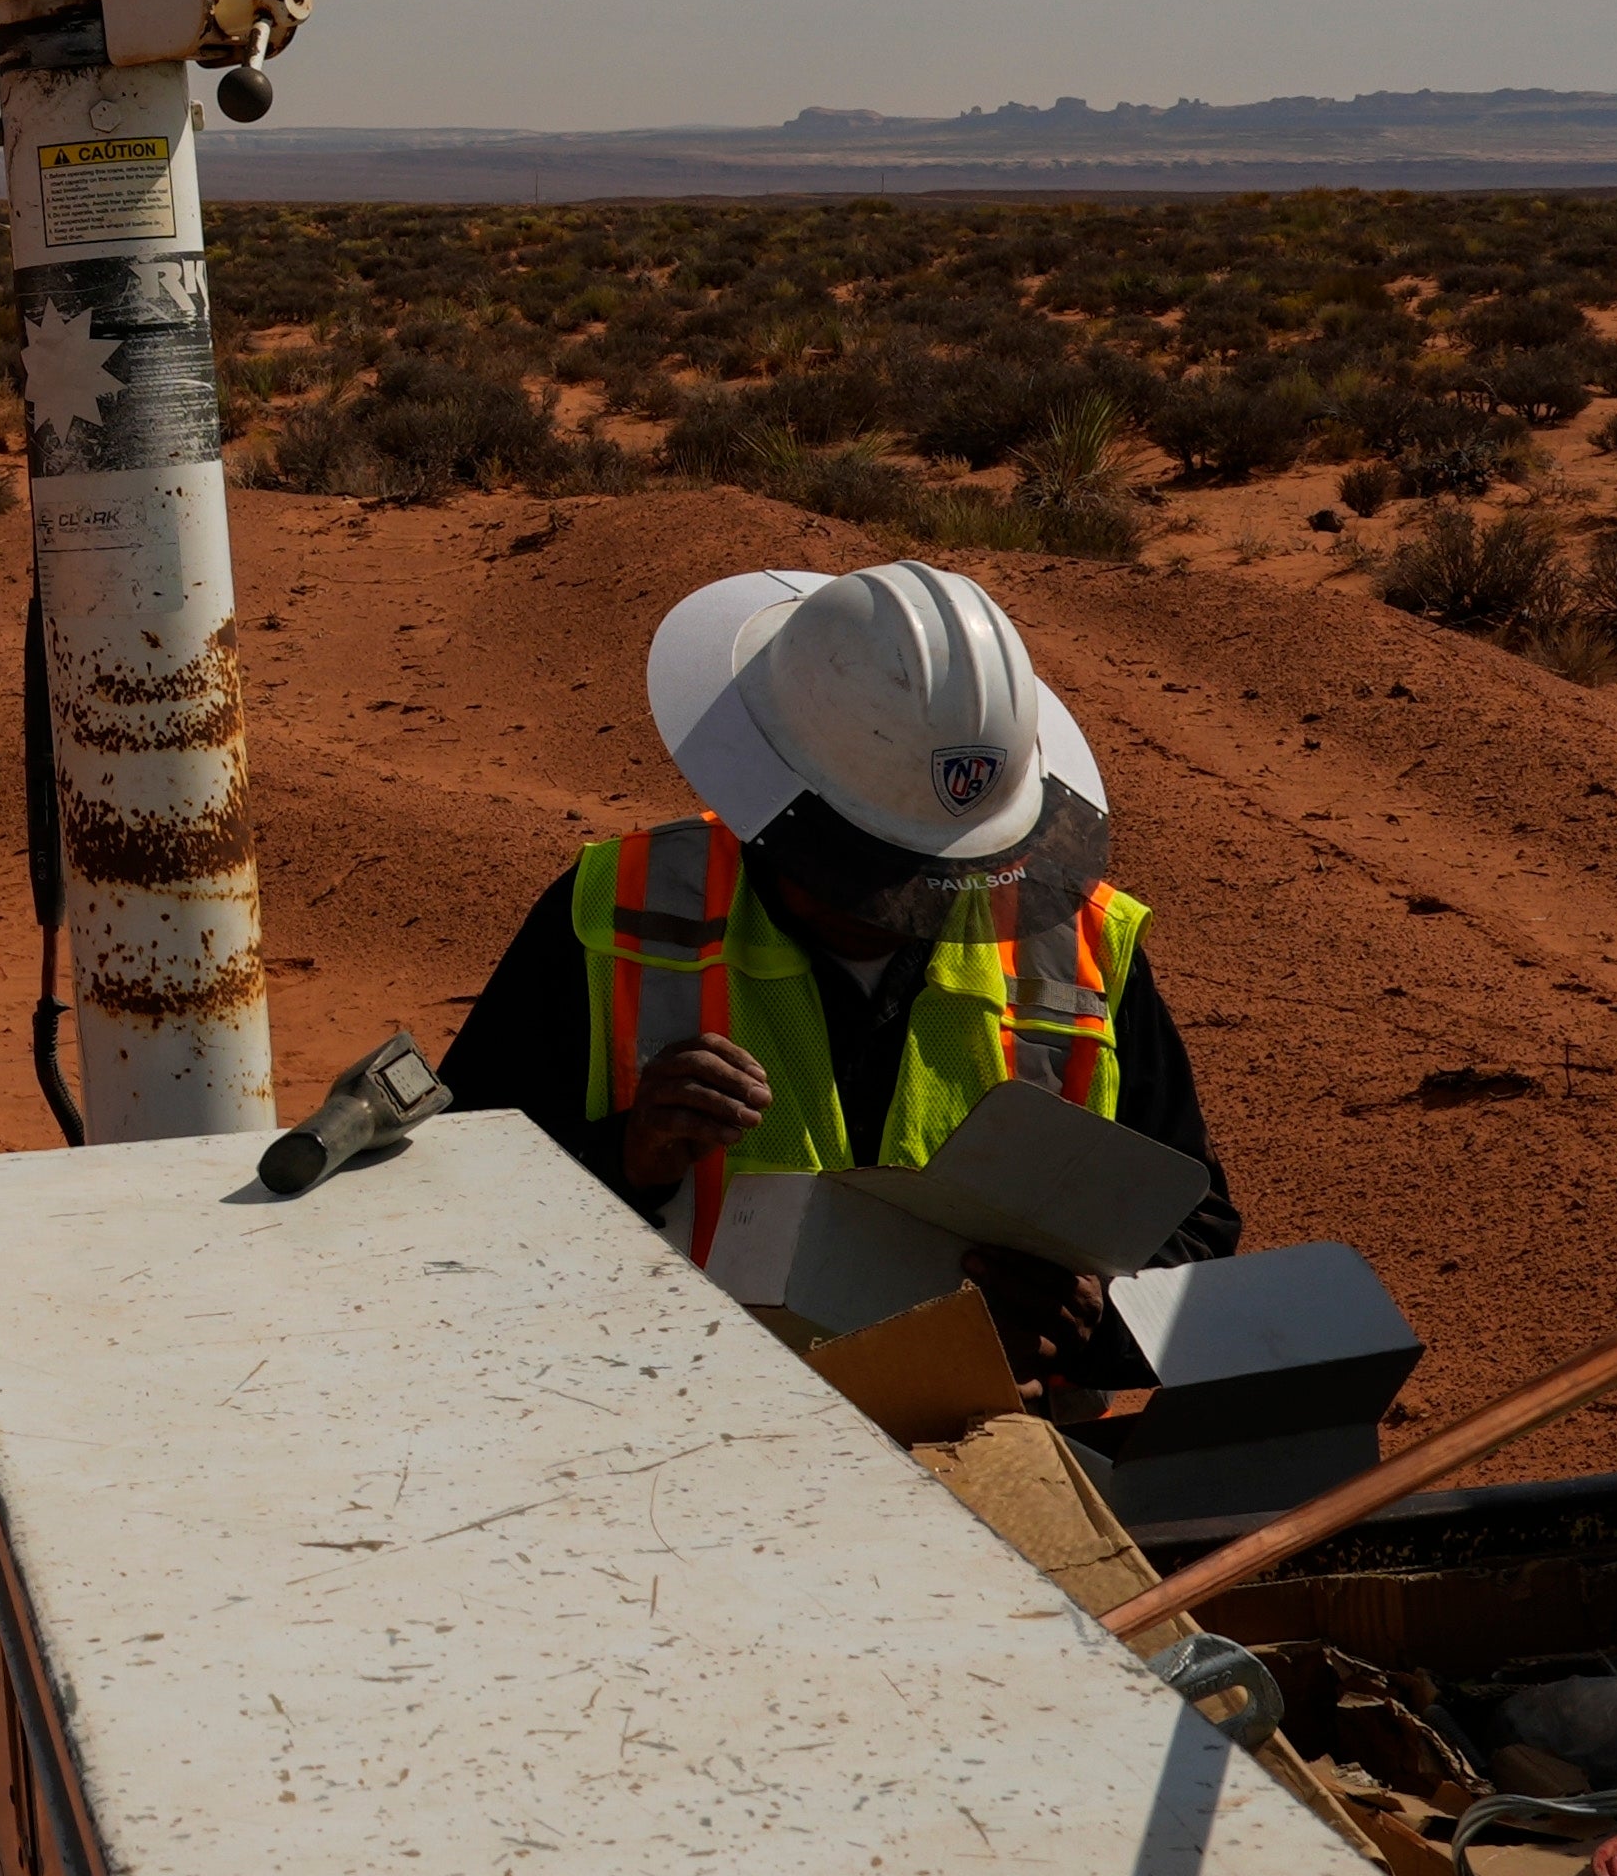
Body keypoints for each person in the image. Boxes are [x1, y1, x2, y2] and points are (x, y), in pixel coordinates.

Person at [441, 560, 1237, 1387]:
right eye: (864, 872)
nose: (901, 907)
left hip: (987, 1441)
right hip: (671, 1429)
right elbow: (449, 1211)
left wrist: (1097, 1314)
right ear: (769, 803)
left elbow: (1192, 1220)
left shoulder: (1083, 940)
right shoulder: (615, 912)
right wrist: (622, 1158)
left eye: (934, 874)